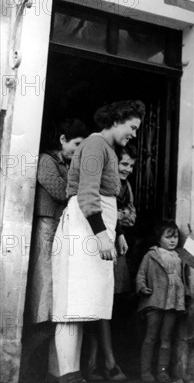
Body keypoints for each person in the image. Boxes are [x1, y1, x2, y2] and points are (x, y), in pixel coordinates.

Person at [52, 100, 145, 383]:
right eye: (132, 127)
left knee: (81, 308)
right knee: (71, 309)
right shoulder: (94, 145)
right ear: (117, 119)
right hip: (83, 229)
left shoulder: (107, 149)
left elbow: (106, 200)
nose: (134, 134)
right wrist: (101, 234)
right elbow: (88, 194)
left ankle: (69, 375)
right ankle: (67, 376)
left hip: (92, 229)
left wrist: (116, 234)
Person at [21, 118, 88, 383]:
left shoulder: (69, 164)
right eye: (76, 144)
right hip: (46, 230)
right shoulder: (47, 161)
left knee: (58, 300)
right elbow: (60, 191)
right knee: (44, 295)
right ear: (62, 139)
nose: (78, 150)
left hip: (62, 231)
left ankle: (52, 372)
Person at [84, 145, 138, 381]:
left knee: (107, 304)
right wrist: (118, 216)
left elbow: (131, 215)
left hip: (115, 246)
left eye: (131, 165)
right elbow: (99, 211)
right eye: (124, 164)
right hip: (96, 244)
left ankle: (99, 362)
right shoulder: (101, 183)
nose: (127, 169)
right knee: (95, 302)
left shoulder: (125, 187)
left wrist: (120, 229)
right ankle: (103, 362)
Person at [136, 220, 190, 383]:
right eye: (168, 237)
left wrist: (185, 294)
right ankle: (145, 372)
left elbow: (185, 277)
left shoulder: (180, 256)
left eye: (175, 237)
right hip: (155, 300)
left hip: (173, 302)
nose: (173, 240)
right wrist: (142, 287)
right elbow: (141, 274)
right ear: (158, 239)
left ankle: (162, 372)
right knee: (151, 336)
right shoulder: (151, 255)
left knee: (166, 338)